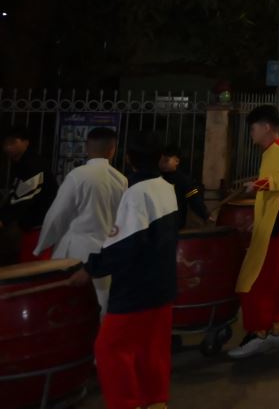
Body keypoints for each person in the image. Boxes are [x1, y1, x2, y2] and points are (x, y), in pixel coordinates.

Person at [70, 130, 178, 409]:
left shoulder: (137, 193)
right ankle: (154, 402)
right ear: (160, 158)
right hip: (162, 284)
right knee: (152, 349)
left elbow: (124, 246)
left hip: (136, 289)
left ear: (128, 158)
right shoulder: (166, 187)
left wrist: (90, 268)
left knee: (109, 349)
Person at [227, 106, 279, 359]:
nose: (251, 133)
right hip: (276, 226)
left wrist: (262, 184)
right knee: (274, 282)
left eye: (253, 128)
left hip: (276, 229)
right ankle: (276, 329)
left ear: (266, 127)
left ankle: (258, 333)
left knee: (254, 282)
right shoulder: (273, 151)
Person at [34, 126, 127, 313]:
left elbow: (57, 215)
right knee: (100, 304)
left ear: (87, 148)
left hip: (75, 252)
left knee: (68, 305)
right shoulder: (121, 180)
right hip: (103, 253)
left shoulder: (78, 175)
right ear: (112, 149)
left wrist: (42, 245)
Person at [0, 125, 58, 264]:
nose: (8, 147)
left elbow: (23, 198)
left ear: (26, 142)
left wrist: (3, 219)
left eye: (12, 142)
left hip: (39, 227)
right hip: (33, 225)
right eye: (5, 144)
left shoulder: (32, 165)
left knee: (34, 265)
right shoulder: (22, 163)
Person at [159, 143, 208, 229]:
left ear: (177, 161)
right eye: (161, 160)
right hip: (157, 223)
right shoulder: (156, 177)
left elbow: (194, 199)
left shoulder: (183, 180)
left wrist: (205, 215)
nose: (162, 164)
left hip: (175, 223)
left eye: (166, 160)